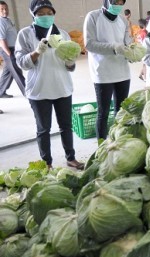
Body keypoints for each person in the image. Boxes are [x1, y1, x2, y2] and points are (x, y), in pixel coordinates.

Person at [15, 0, 84, 169]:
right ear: (33, 15)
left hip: (62, 87)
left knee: (66, 126)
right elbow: (21, 63)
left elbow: (71, 67)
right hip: (39, 90)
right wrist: (36, 52)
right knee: (43, 129)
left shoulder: (62, 34)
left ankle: (71, 157)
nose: (46, 16)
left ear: (54, 14)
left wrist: (70, 62)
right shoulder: (25, 34)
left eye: (49, 13)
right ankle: (47, 163)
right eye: (41, 14)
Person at [84, 0, 132, 140]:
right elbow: (89, 44)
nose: (118, 4)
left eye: (121, 2)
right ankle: (101, 145)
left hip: (122, 71)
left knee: (121, 111)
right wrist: (113, 47)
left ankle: (118, 141)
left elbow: (127, 42)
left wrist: (132, 51)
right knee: (103, 112)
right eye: (115, 1)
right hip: (102, 72)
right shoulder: (93, 17)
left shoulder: (122, 20)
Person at [0, 1, 25, 98]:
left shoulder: (7, 19)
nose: (5, 11)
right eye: (1, 9)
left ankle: (1, 91)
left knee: (8, 71)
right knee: (16, 70)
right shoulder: (1, 22)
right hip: (7, 49)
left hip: (13, 48)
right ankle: (28, 91)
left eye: (6, 9)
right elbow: (2, 40)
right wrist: (9, 54)